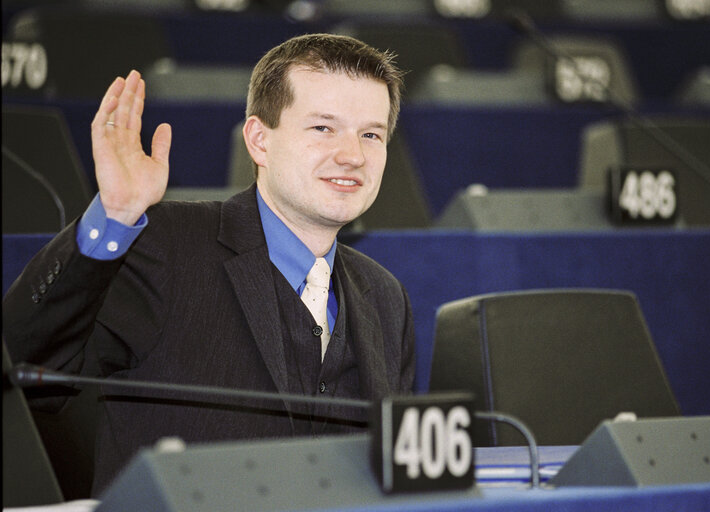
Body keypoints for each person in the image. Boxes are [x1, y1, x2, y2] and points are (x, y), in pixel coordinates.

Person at [2, 33, 415, 495]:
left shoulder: (385, 297)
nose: (352, 155)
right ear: (259, 140)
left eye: (371, 134)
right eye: (323, 128)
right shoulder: (166, 245)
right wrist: (115, 218)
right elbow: (25, 362)